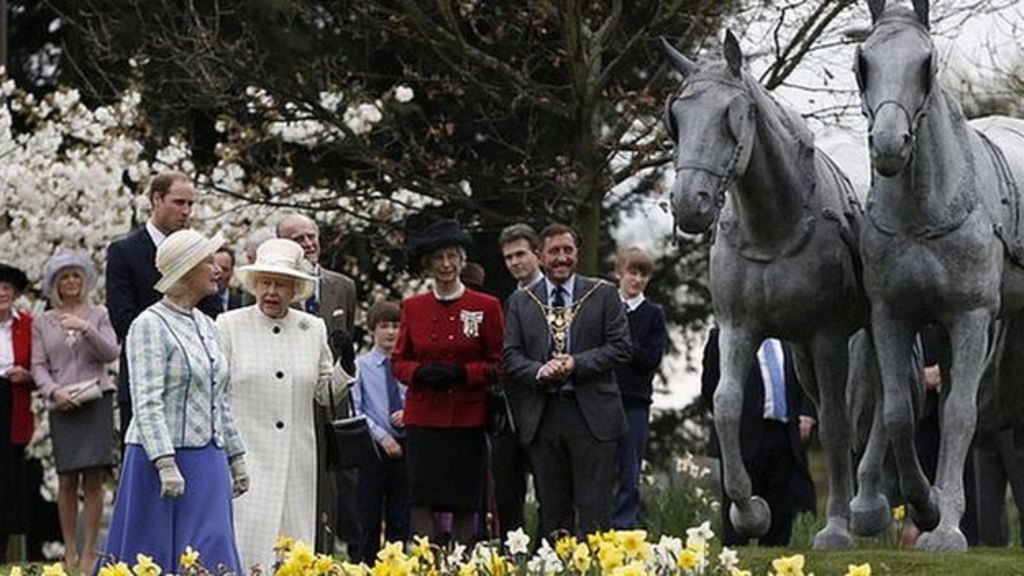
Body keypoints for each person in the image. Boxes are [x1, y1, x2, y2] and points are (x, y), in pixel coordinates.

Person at [97, 229, 248, 575]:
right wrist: (164, 463)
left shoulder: (209, 326)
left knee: (213, 549)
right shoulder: (148, 325)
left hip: (208, 457)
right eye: (208, 262)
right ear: (186, 270)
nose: (217, 269)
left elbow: (219, 397)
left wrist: (236, 458)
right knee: (150, 555)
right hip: (159, 459)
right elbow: (146, 401)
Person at [217, 238, 341, 571]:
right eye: (266, 283)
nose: (272, 291)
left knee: (293, 551)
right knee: (246, 548)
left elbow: (325, 394)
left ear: (295, 289)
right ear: (255, 284)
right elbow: (216, 394)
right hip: (245, 459)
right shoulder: (229, 326)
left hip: (296, 460)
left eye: (281, 285)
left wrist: (347, 370)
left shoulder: (312, 328)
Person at [503, 223, 631, 537]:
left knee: (594, 509)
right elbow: (510, 355)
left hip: (592, 415)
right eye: (554, 252)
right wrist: (539, 371)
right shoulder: (521, 301)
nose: (562, 258)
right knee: (552, 510)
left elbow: (621, 347)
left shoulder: (602, 294)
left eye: (568, 250)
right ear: (540, 257)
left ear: (576, 253)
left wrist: (577, 363)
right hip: (543, 416)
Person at [392, 219, 504, 544]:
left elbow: (499, 363)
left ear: (462, 260)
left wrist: (464, 373)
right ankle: (428, 562)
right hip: (424, 418)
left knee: (465, 498)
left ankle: (462, 563)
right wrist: (418, 373)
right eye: (439, 258)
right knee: (422, 496)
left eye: (452, 256)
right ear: (429, 263)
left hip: (467, 417)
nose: (446, 264)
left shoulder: (486, 306)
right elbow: (399, 361)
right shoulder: (413, 307)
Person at [106, 171, 221, 440]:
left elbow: (213, 311)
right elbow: (123, 320)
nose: (186, 211)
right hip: (144, 380)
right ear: (157, 199)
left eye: (190, 204)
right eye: (179, 202)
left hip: (196, 383)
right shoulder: (125, 252)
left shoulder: (199, 248)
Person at [31, 251, 119, 570]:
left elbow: (110, 352)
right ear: (55, 283)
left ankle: (90, 551)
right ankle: (69, 550)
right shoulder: (43, 321)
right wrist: (54, 391)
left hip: (96, 400)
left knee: (93, 478)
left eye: (76, 276)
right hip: (62, 403)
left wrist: (85, 328)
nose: (70, 282)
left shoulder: (98, 313)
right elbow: (38, 365)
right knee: (67, 479)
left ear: (84, 281)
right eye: (64, 277)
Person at [276, 212, 358, 552]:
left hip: (331, 401)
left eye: (312, 236)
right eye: (299, 239)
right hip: (288, 400)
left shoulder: (342, 286)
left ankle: (327, 553)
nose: (309, 244)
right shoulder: (275, 287)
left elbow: (346, 342)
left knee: (334, 485)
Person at [700, 328, 816, 546]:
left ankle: (775, 562)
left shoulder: (790, 339)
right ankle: (735, 563)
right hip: (741, 438)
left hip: (784, 435)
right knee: (737, 507)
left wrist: (807, 414)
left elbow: (806, 379)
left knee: (781, 509)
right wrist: (731, 422)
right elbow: (710, 386)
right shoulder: (724, 336)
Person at [492, 223, 544, 534]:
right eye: (509, 257)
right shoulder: (511, 300)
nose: (515, 262)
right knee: (508, 487)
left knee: (549, 487)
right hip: (512, 407)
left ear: (537, 254)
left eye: (521, 254)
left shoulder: (554, 297)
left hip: (547, 403)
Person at [611, 247, 667, 529]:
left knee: (629, 469)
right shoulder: (606, 306)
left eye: (643, 275)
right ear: (619, 273)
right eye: (632, 272)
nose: (637, 280)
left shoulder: (653, 314)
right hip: (601, 398)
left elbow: (650, 359)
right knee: (597, 468)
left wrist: (622, 347)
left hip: (635, 401)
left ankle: (623, 525)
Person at [350, 301, 409, 562]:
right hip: (373, 449)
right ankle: (366, 564)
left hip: (407, 446)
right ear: (373, 329)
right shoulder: (361, 366)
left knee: (400, 514)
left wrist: (410, 414)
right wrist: (382, 437)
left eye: (395, 326)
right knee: (369, 515)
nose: (390, 332)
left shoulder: (407, 366)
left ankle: (395, 565)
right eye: (384, 326)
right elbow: (356, 410)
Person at [0, 263, 35, 562]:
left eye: (6, 287)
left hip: (13, 403)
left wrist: (27, 376)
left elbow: (43, 367)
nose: (1, 293)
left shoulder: (27, 324)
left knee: (8, 479)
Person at [212, 247, 242, 315]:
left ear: (232, 272)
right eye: (215, 268)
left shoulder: (241, 303)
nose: (219, 273)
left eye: (225, 269)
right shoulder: (199, 301)